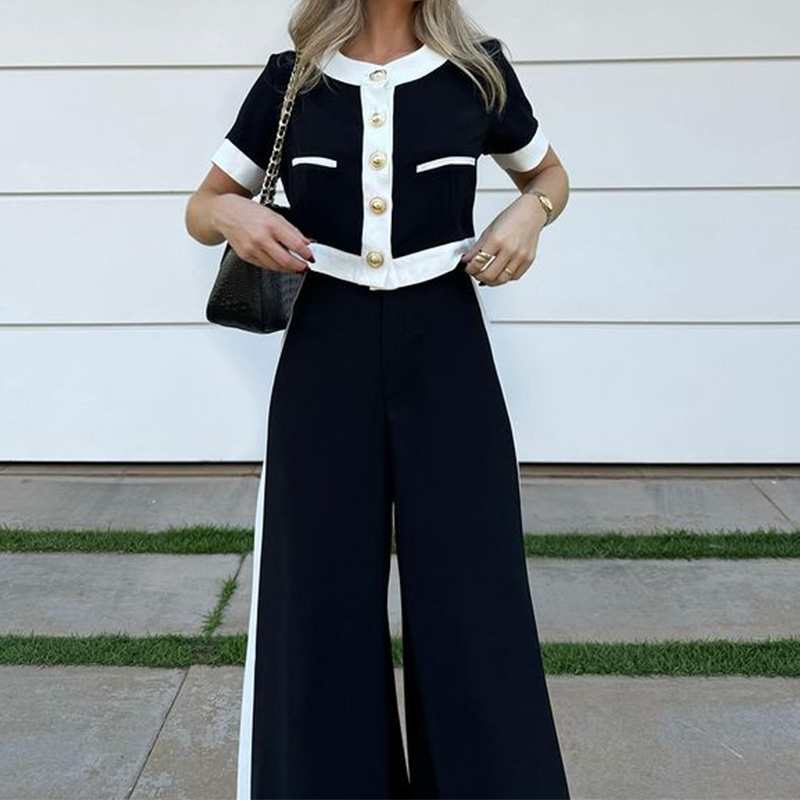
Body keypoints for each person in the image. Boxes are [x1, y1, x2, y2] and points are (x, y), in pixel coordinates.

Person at [185, 1, 571, 797]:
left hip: (449, 347)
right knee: (316, 592)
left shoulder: (478, 72)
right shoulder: (294, 79)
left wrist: (530, 212)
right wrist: (232, 212)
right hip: (325, 347)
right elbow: (201, 209)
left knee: (474, 591)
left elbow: (549, 175)